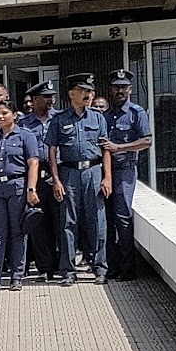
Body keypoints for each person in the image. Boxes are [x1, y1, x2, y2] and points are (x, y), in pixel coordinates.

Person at [46, 72, 112, 285]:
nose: (88, 95)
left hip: (93, 172)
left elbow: (106, 150)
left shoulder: (97, 117)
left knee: (97, 222)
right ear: (71, 93)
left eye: (90, 91)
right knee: (68, 222)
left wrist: (107, 177)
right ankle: (68, 271)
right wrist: (56, 180)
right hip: (69, 174)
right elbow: (52, 152)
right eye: (83, 91)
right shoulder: (59, 120)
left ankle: (100, 267)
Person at [0, 99, 40, 290]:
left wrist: (31, 189)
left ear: (14, 115)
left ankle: (16, 276)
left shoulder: (25, 136)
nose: (1, 117)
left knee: (18, 232)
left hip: (18, 185)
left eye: (5, 113)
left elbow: (33, 164)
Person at [102, 68, 153, 280]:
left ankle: (128, 269)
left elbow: (147, 141)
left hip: (125, 170)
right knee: (106, 220)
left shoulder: (136, 113)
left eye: (124, 87)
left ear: (130, 89)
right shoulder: (104, 116)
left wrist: (119, 148)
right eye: (116, 87)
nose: (120, 90)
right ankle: (111, 267)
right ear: (111, 89)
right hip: (104, 172)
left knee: (123, 218)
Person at [19, 82, 61, 280]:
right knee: (38, 224)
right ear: (34, 100)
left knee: (61, 222)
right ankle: (45, 268)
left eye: (52, 96)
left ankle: (63, 265)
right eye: (46, 97)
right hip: (36, 177)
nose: (51, 100)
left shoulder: (60, 119)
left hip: (59, 175)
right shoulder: (23, 124)